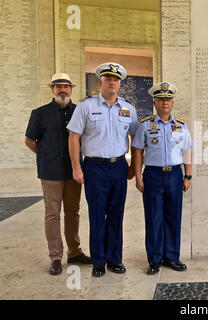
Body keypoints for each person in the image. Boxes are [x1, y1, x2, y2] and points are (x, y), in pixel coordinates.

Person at [67, 63, 138, 277]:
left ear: (120, 84)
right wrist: (77, 167)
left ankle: (115, 259)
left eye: (116, 79)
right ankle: (99, 261)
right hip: (94, 167)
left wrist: (134, 166)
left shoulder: (128, 109)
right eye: (108, 79)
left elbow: (136, 139)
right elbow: (74, 137)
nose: (112, 82)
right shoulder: (85, 107)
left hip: (118, 166)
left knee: (116, 215)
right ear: (100, 82)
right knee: (97, 215)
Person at [25, 73, 91, 275]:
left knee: (73, 212)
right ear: (52, 89)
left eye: (66, 86)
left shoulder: (80, 111)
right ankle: (55, 256)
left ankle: (74, 251)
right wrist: (46, 155)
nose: (62, 90)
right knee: (52, 214)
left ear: (71, 89)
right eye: (58, 86)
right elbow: (30, 141)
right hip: (50, 172)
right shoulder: (40, 113)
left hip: (74, 172)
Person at [132, 82, 193, 275]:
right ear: (155, 102)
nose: (165, 103)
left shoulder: (181, 126)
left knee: (173, 217)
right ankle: (155, 259)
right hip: (153, 175)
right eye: (161, 99)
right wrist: (138, 176)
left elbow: (187, 150)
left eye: (168, 99)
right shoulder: (145, 125)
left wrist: (187, 175)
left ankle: (172, 257)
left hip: (175, 174)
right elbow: (138, 151)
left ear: (172, 102)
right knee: (153, 217)